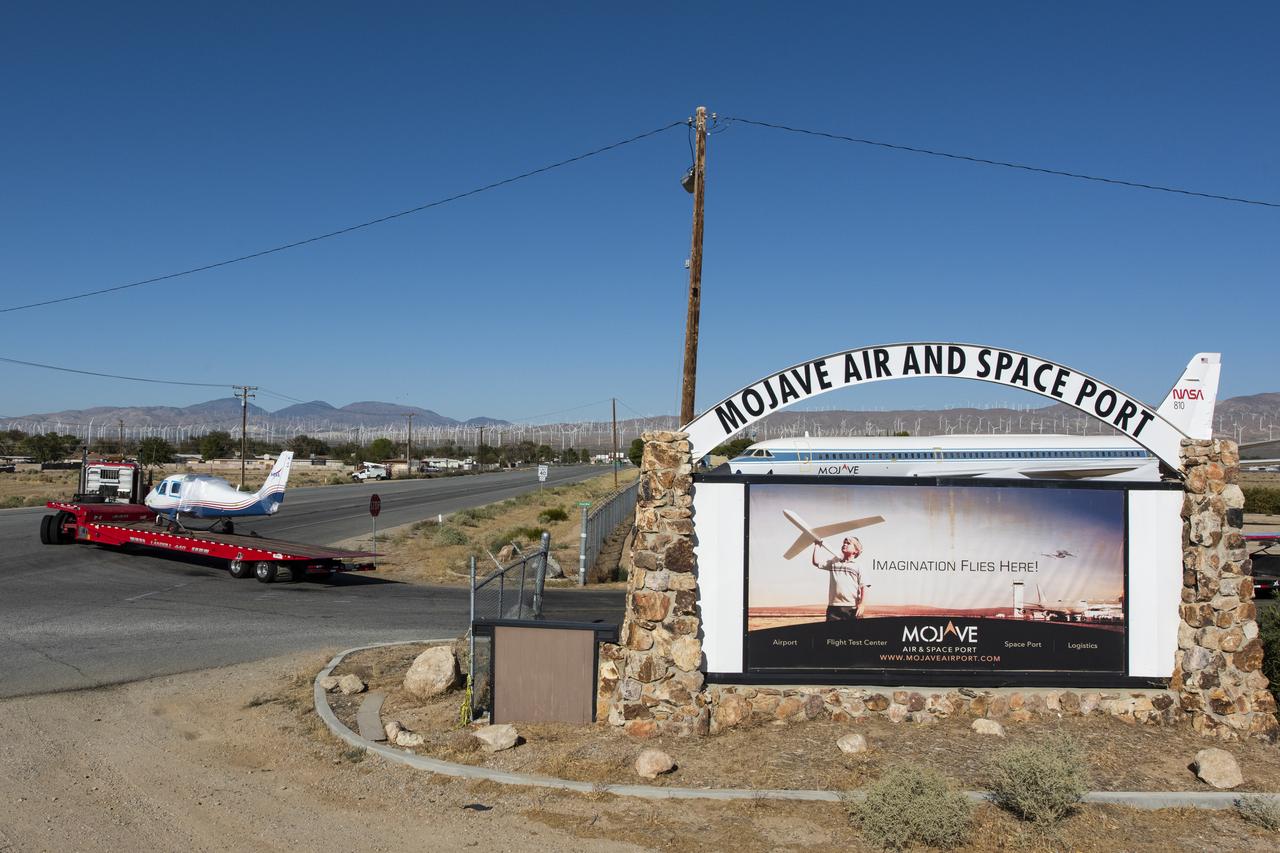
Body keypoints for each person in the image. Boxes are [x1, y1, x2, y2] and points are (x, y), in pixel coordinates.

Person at [812, 536, 866, 621]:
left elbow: (864, 586)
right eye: (844, 542)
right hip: (833, 608)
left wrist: (862, 604)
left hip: (851, 608)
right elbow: (816, 562)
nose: (844, 544)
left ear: (856, 551)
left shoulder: (858, 566)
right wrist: (817, 545)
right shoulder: (834, 562)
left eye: (848, 543)